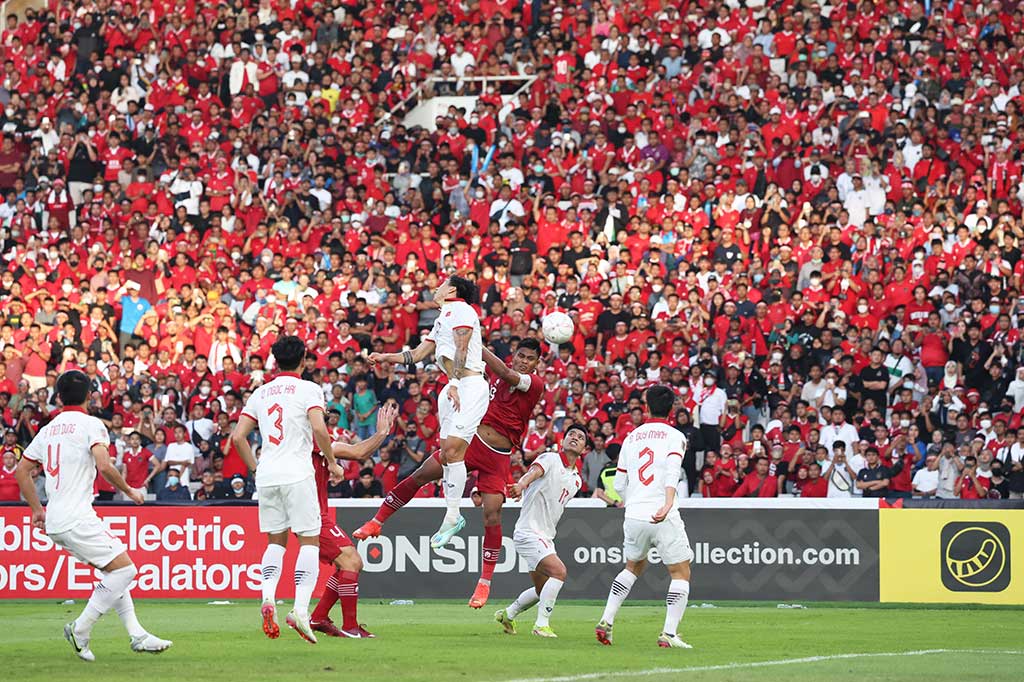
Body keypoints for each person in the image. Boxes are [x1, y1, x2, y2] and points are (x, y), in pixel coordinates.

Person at [355, 338, 543, 609]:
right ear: (515, 355)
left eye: (530, 359)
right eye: (521, 356)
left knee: (493, 513)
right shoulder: (488, 379)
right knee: (423, 473)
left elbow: (504, 372)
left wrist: (475, 340)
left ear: (537, 364)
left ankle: (484, 583)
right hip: (473, 443)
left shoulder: (533, 383)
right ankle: (377, 520)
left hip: (499, 456)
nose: (525, 361)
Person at [15, 370, 171, 661]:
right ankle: (81, 629)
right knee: (125, 571)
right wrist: (131, 490)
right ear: (90, 395)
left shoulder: (48, 429)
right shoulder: (91, 424)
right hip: (77, 517)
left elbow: (21, 470)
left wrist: (37, 509)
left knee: (114, 572)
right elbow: (105, 466)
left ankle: (137, 634)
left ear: (58, 397)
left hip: (57, 519)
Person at [230, 335, 343, 645]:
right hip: (297, 474)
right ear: (304, 359)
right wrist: (332, 464)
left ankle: (268, 597)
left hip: (267, 474)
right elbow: (319, 428)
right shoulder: (309, 389)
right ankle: (300, 610)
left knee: (275, 542)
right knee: (309, 542)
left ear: (274, 361)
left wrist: (255, 469)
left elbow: (239, 437)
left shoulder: (260, 393)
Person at [364, 275, 486, 549]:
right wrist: (387, 357)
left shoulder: (462, 310)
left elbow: (463, 349)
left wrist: (454, 383)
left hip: (468, 384)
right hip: (452, 387)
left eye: (442, 283)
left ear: (452, 290)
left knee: (454, 449)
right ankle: (452, 515)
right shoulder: (444, 315)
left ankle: (453, 515)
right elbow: (418, 354)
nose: (436, 287)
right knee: (446, 454)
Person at [596, 384, 694, 649]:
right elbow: (673, 470)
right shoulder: (676, 436)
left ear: (647, 407)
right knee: (680, 572)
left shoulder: (631, 437)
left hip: (634, 514)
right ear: (673, 408)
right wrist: (667, 502)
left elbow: (618, 484)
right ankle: (669, 634)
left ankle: (606, 619)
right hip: (662, 512)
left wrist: (633, 502)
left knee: (632, 567)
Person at [310, 402, 397, 639]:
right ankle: (350, 627)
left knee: (346, 563)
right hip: (311, 515)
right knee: (352, 562)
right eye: (321, 407)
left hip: (312, 513)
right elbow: (359, 453)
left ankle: (318, 618)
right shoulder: (313, 438)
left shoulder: (299, 440)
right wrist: (381, 433)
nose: (325, 410)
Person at [493, 424, 585, 638]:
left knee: (542, 590)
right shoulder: (550, 459)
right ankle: (541, 625)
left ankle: (507, 614)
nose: (574, 437)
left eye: (580, 437)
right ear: (563, 440)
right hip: (528, 532)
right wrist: (522, 484)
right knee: (559, 572)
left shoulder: (577, 480)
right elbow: (534, 472)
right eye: (571, 433)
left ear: (584, 449)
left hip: (545, 536)